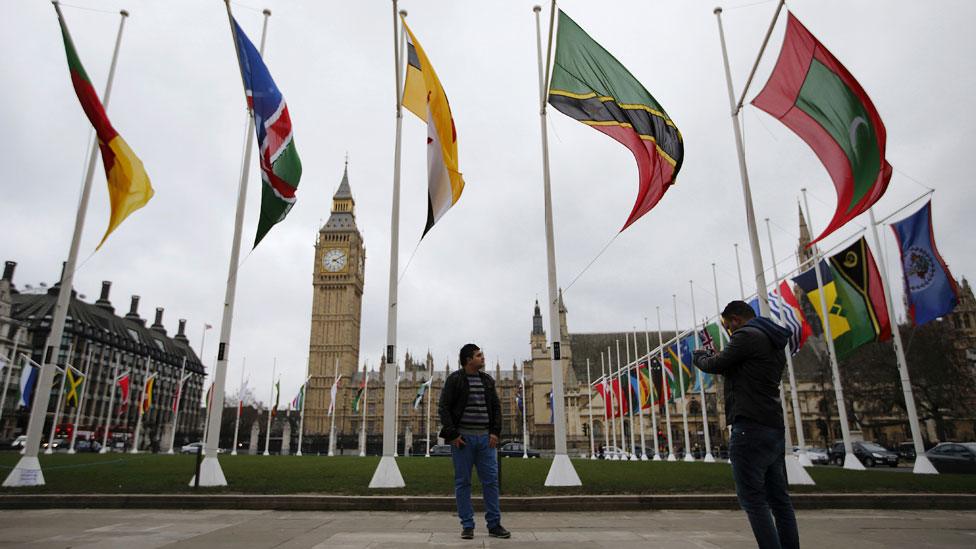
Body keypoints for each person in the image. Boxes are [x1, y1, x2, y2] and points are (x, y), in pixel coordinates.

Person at [693, 300, 799, 549]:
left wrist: (700, 356)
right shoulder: (774, 342)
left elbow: (715, 365)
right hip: (773, 425)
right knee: (780, 502)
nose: (729, 332)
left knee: (753, 500)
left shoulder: (746, 336)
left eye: (728, 326)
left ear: (736, 320)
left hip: (749, 426)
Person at [438, 343, 510, 540]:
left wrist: (495, 432)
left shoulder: (487, 380)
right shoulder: (455, 379)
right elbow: (444, 408)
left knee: (491, 482)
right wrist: (452, 435)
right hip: (463, 439)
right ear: (468, 360)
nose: (483, 357)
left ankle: (494, 524)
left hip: (486, 439)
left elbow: (496, 408)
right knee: (463, 482)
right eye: (479, 355)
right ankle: (467, 525)